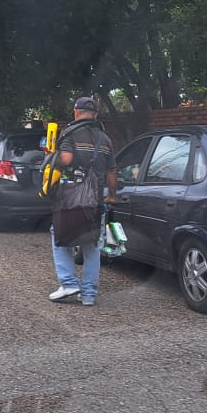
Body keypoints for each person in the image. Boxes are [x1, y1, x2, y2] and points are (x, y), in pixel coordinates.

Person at [48, 96, 118, 307]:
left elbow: (66, 159)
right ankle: (88, 294)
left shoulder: (69, 133)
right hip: (95, 201)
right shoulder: (104, 139)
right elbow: (112, 171)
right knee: (92, 245)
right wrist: (111, 195)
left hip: (71, 198)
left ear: (76, 112)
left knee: (59, 235)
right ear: (95, 115)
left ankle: (69, 283)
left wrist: (53, 155)